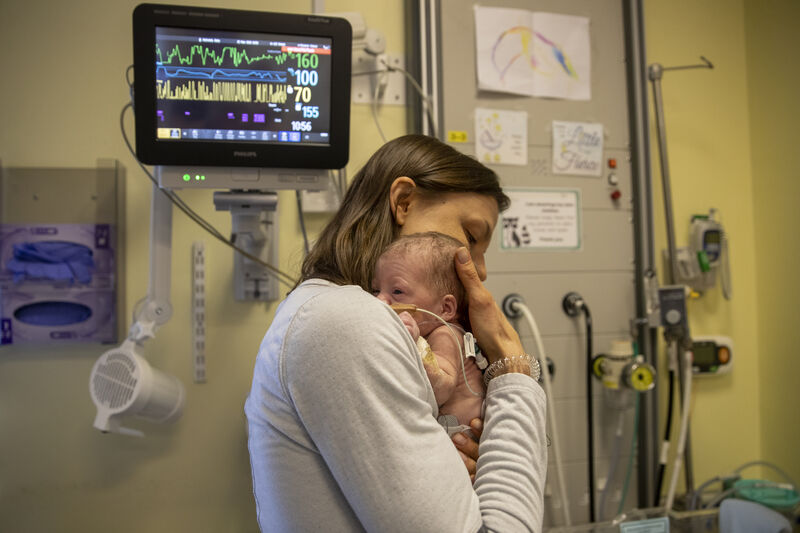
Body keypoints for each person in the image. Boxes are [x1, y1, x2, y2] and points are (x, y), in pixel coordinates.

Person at [245, 134, 547, 532]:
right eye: (472, 237)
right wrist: (514, 371)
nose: (482, 270)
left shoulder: (337, 315)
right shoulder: (344, 321)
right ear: (403, 202)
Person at [371, 231, 485, 435]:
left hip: (463, 433)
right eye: (375, 290)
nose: (379, 301)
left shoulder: (446, 334)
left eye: (397, 292)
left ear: (445, 309)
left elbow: (441, 389)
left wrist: (413, 344)